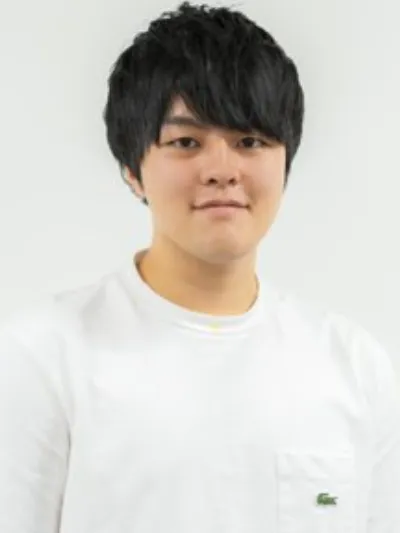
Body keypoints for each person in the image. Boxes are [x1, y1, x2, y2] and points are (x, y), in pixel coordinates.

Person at [1, 2, 399, 532]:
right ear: (132, 169)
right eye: (185, 142)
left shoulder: (356, 367)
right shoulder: (43, 356)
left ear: (286, 161)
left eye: (250, 141)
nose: (222, 170)